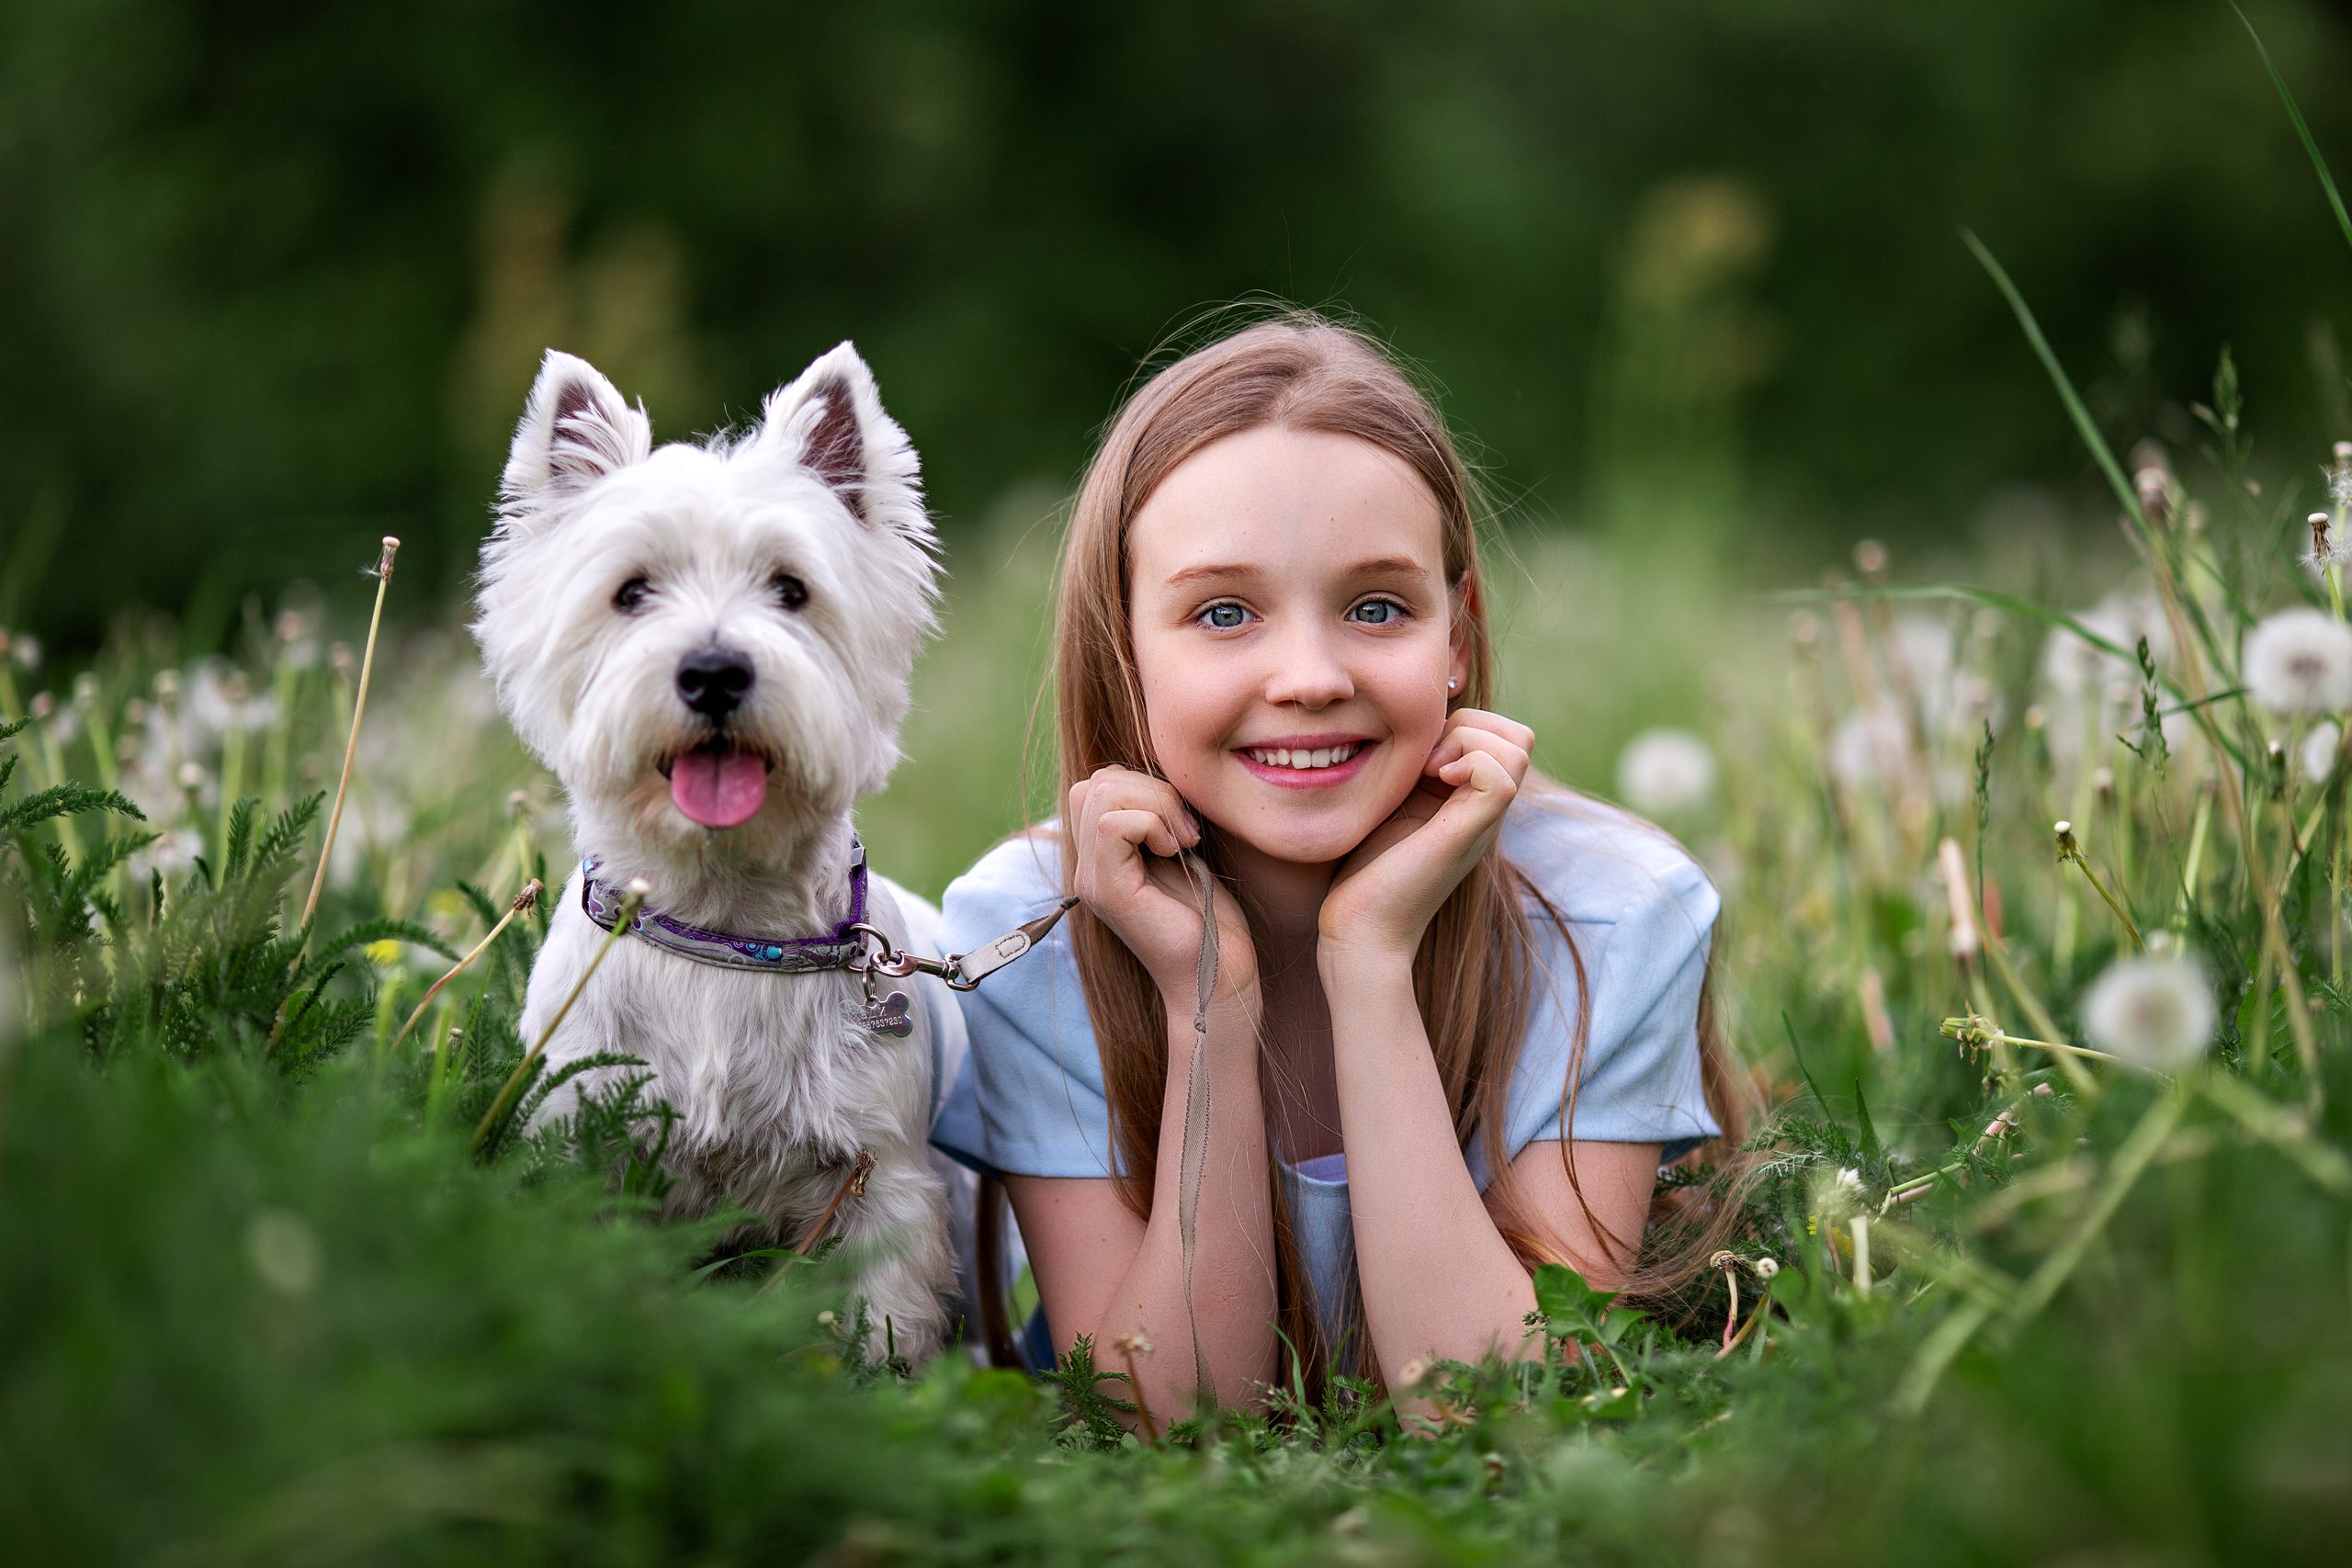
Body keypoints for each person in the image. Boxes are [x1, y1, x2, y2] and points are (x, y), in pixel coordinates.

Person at [930, 310, 1747, 1416]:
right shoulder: (1033, 926)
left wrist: (1369, 964)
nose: (1309, 675)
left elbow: (1503, 1417)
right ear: (1121, 649)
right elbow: (1173, 1422)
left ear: (1455, 638)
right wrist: (1206, 1004)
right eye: (1223, 613)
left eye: (1376, 607)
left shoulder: (1608, 911)